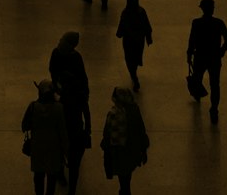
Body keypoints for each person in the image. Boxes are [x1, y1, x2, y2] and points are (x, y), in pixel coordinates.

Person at [48, 31, 91, 193]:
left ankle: (61, 174)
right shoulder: (64, 55)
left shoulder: (74, 58)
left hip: (70, 123)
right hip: (74, 124)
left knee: (61, 148)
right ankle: (66, 180)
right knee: (71, 158)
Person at [187, 0, 227, 125]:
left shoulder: (196, 23)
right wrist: (222, 50)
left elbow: (192, 40)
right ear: (212, 9)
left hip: (200, 57)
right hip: (214, 58)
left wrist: (189, 54)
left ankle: (198, 94)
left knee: (197, 78)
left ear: (202, 9)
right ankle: (214, 109)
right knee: (215, 85)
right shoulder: (218, 23)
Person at [21, 79, 68, 195]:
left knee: (38, 177)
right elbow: (63, 131)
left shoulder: (33, 107)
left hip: (38, 148)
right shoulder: (58, 108)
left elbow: (24, 126)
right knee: (51, 179)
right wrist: (67, 150)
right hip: (54, 149)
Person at [101, 87, 149, 193]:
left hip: (118, 152)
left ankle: (124, 191)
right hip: (131, 150)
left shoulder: (113, 113)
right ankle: (124, 190)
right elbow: (141, 129)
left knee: (123, 178)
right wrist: (144, 149)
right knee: (127, 176)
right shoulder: (134, 110)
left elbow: (107, 134)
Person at [116, 0, 153, 91]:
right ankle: (134, 73)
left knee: (129, 58)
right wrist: (148, 37)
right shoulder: (141, 11)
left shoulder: (126, 12)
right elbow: (147, 25)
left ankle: (133, 75)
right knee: (136, 57)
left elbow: (122, 25)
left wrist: (119, 33)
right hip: (139, 40)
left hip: (128, 40)